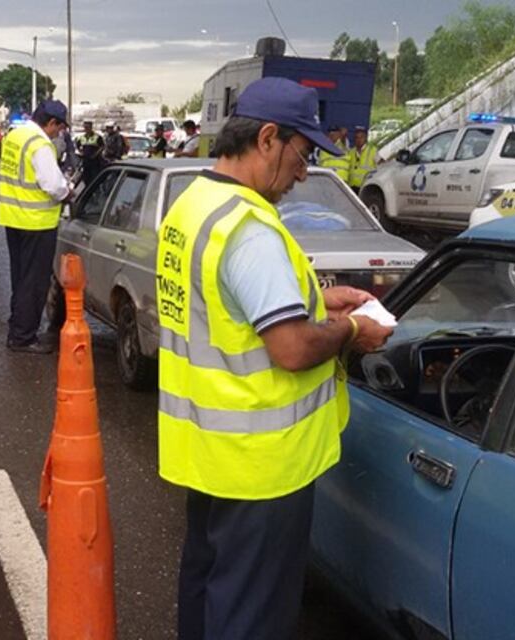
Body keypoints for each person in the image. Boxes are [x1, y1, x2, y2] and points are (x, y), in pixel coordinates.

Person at [155, 76, 393, 640]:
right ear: (266, 139)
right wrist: (353, 328)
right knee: (253, 613)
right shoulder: (249, 228)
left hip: (209, 448)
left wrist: (315, 298)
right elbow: (289, 348)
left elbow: (224, 308)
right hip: (262, 463)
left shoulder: (196, 206)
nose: (304, 171)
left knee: (208, 584)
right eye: (303, 153)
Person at [0, 100, 71, 354]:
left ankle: (17, 326)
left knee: (20, 278)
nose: (58, 134)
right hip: (36, 223)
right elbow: (53, 185)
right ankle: (23, 337)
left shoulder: (15, 136)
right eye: (58, 129)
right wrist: (67, 192)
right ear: (51, 122)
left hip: (14, 218)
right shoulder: (40, 145)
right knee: (34, 282)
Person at [346, 125, 378, 193]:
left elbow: (381, 167)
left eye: (361, 137)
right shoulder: (351, 152)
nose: (359, 140)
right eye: (357, 137)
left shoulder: (373, 151)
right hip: (352, 188)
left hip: (366, 189)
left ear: (366, 138)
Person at [75, 120, 105, 186]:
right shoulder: (81, 137)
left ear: (91, 127)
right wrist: (80, 152)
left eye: (88, 127)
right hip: (85, 161)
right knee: (86, 179)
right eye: (85, 127)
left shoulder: (97, 137)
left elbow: (102, 146)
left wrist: (96, 154)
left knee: (94, 179)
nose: (86, 129)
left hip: (95, 162)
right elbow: (77, 146)